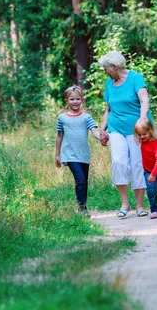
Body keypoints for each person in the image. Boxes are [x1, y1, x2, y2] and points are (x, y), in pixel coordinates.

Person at [98, 50, 151, 217]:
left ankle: (140, 206)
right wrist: (102, 128)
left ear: (114, 66)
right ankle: (125, 203)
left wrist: (142, 119)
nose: (104, 71)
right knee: (118, 161)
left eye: (105, 68)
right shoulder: (109, 83)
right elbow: (108, 108)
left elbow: (144, 99)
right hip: (116, 128)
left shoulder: (135, 78)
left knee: (137, 163)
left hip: (136, 129)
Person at [55, 85, 103, 217]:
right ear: (67, 101)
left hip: (83, 154)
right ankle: (82, 208)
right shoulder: (62, 118)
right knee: (80, 180)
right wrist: (57, 155)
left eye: (77, 99)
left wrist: (102, 137)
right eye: (72, 99)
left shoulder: (86, 117)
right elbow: (59, 137)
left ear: (82, 100)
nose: (75, 102)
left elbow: (94, 131)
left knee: (84, 181)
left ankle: (83, 205)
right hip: (69, 155)